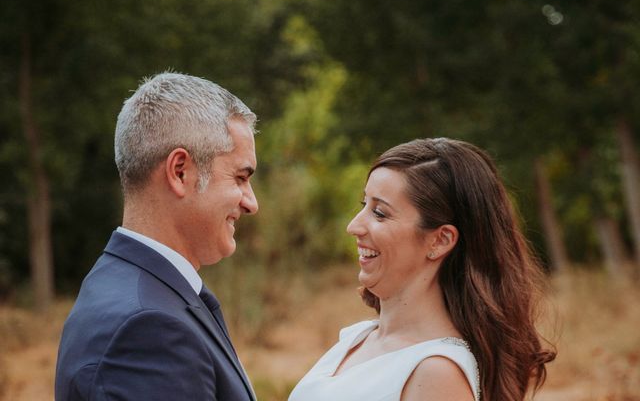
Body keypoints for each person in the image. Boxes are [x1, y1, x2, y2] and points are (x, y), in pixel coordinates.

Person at [289, 138, 556, 401]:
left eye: (380, 213)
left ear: (440, 240)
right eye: (364, 206)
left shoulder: (436, 373)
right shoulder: (358, 338)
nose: (354, 226)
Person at [55, 72, 259, 400]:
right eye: (239, 177)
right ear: (180, 172)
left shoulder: (125, 286)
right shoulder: (149, 329)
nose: (252, 203)